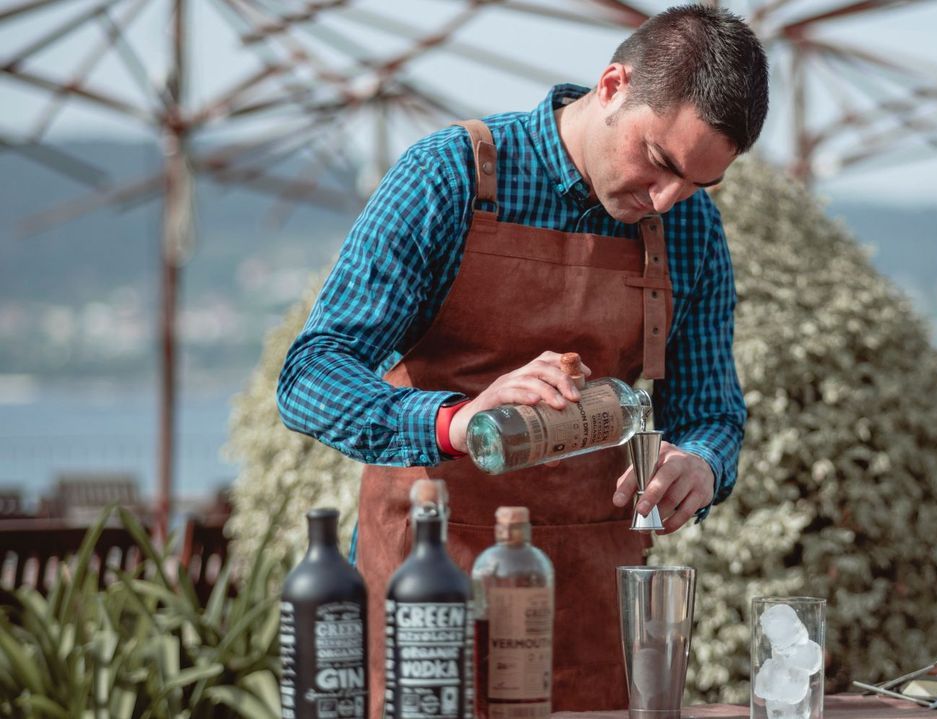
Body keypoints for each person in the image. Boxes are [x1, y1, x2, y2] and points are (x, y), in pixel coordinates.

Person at [277, 4, 767, 715]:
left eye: (697, 182)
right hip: (430, 602)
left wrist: (701, 462)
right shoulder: (448, 176)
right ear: (611, 86)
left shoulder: (687, 225)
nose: (667, 197)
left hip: (594, 618)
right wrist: (454, 422)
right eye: (659, 162)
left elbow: (712, 411)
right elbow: (310, 375)